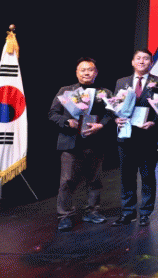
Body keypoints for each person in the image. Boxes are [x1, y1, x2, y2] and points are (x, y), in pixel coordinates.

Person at [48, 57, 112, 232]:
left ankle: (92, 211)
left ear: (96, 72)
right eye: (82, 70)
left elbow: (111, 114)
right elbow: (52, 114)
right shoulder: (66, 91)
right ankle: (65, 216)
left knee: (95, 180)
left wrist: (101, 125)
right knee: (67, 181)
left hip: (95, 142)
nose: (86, 73)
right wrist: (67, 122)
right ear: (76, 73)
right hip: (71, 142)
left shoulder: (104, 92)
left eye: (90, 69)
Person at [112, 49, 158, 227]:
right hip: (126, 135)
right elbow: (114, 106)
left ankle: (145, 213)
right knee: (127, 176)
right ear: (132, 62)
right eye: (138, 58)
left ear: (151, 62)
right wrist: (116, 118)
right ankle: (128, 212)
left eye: (146, 59)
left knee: (147, 176)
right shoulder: (121, 82)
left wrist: (154, 122)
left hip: (147, 135)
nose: (142, 61)